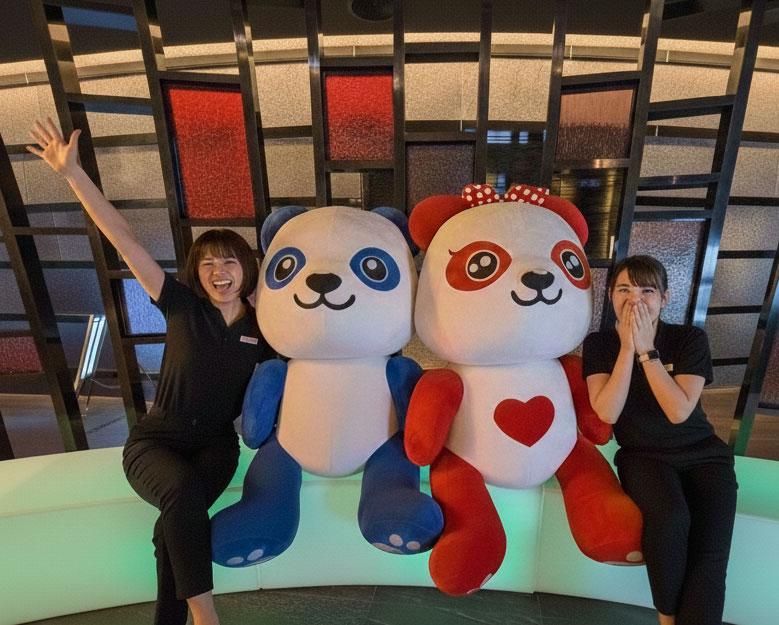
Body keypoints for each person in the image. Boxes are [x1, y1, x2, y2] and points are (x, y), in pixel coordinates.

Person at [27, 118, 274, 625]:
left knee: (173, 529)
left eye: (229, 262)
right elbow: (123, 239)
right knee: (180, 497)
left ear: (247, 268)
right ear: (196, 272)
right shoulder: (181, 304)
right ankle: (207, 617)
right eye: (208, 264)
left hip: (216, 447)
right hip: (155, 442)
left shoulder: (266, 329)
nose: (219, 273)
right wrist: (72, 174)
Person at [582, 254, 737, 625]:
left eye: (647, 291)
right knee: (670, 520)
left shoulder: (688, 340)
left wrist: (647, 352)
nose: (635, 299)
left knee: (710, 553)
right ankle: (667, 619)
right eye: (624, 289)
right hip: (643, 457)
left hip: (704, 455)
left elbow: (679, 411)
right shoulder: (600, 345)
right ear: (610, 295)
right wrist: (627, 349)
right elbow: (607, 412)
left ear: (665, 298)